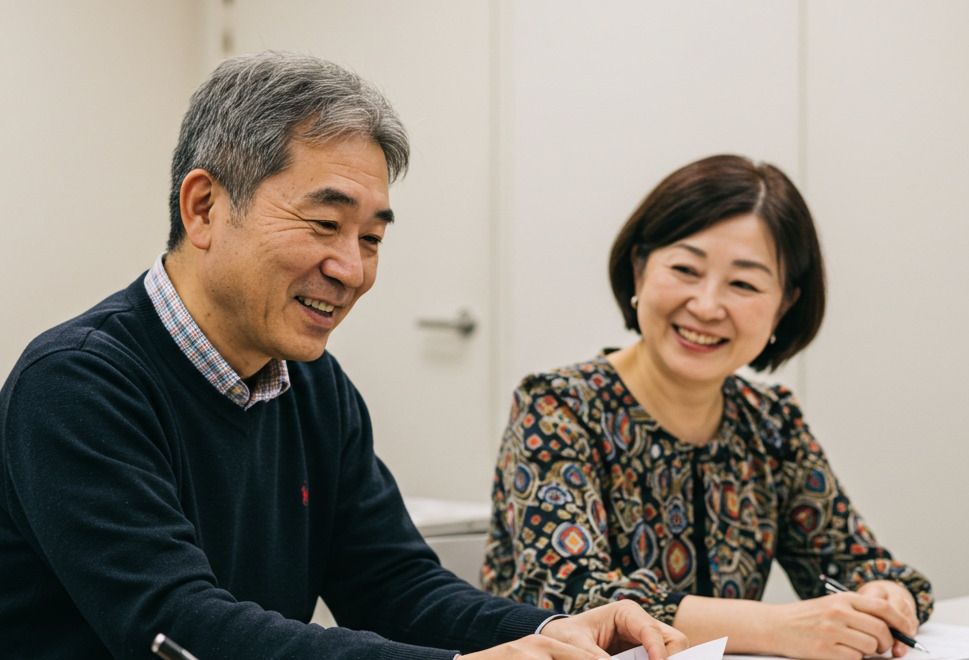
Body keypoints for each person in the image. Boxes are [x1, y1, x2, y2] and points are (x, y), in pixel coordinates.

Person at [0, 52, 688, 660]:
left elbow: (393, 585)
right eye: (325, 225)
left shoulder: (311, 384)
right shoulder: (77, 382)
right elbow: (175, 627)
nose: (352, 269)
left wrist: (562, 630)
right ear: (204, 207)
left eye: (372, 239)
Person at [482, 154, 934, 660]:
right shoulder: (560, 405)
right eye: (685, 269)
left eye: (743, 283)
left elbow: (857, 563)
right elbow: (568, 594)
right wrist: (778, 627)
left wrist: (882, 597)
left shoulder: (770, 421)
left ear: (784, 305)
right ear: (639, 268)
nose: (707, 305)